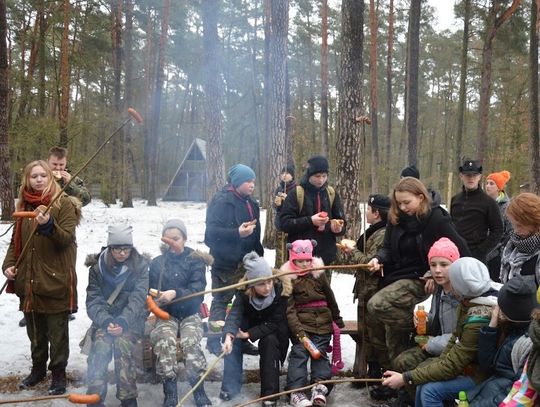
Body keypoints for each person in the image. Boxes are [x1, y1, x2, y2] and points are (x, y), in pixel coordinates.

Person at [366, 177, 470, 401]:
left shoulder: (436, 220)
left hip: (424, 279)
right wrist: (377, 258)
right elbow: (386, 248)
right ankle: (397, 383)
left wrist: (433, 272)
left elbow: (460, 251)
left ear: (420, 198)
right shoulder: (395, 219)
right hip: (397, 275)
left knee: (377, 305)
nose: (403, 208)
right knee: (389, 333)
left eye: (407, 202)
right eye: (399, 203)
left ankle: (418, 328)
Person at [2, 160, 80, 395]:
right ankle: (37, 370)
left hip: (55, 279)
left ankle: (58, 374)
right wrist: (9, 265)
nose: (38, 180)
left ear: (50, 178)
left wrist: (48, 225)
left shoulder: (63, 204)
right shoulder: (23, 206)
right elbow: (16, 242)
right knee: (35, 332)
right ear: (27, 179)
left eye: (43, 176)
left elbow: (66, 239)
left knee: (57, 333)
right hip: (29, 279)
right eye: (33, 176)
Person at [382, 257, 497, 407]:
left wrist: (405, 378)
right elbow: (454, 340)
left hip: (480, 375)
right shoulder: (469, 302)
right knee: (423, 382)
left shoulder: (478, 317)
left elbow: (453, 364)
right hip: (466, 365)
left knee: (429, 390)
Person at [149, 219, 213, 407]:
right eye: (167, 239)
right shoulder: (157, 263)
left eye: (175, 238)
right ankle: (170, 392)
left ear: (184, 238)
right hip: (166, 314)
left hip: (190, 313)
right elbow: (149, 289)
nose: (171, 243)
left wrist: (175, 293)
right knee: (165, 342)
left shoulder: (196, 260)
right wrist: (156, 297)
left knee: (189, 342)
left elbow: (197, 291)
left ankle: (199, 390)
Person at [391, 237, 462, 406]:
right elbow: (436, 319)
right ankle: (415, 400)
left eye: (444, 265)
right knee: (402, 361)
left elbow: (461, 336)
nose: (437, 270)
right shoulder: (439, 290)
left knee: (421, 370)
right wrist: (424, 320)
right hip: (440, 344)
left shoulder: (461, 293)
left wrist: (431, 343)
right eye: (433, 265)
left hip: (456, 352)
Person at [85, 225, 149, 407]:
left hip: (131, 321)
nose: (122, 253)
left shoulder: (140, 267)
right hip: (105, 320)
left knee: (123, 344)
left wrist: (123, 321)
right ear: (109, 248)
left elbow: (138, 299)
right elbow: (93, 301)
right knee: (101, 345)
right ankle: (95, 397)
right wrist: (105, 322)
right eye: (117, 249)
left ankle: (128, 398)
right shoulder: (97, 269)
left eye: (126, 249)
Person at [204, 163, 263, 356]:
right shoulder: (222, 201)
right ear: (237, 182)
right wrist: (237, 232)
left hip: (247, 262)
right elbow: (210, 235)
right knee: (221, 301)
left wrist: (258, 255)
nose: (252, 185)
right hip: (224, 262)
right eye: (247, 181)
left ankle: (240, 340)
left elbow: (256, 233)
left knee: (245, 301)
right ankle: (214, 340)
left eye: (253, 181)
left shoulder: (252, 203)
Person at [220, 252, 290, 406]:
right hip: (250, 323)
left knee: (269, 342)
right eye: (261, 284)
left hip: (273, 329)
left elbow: (275, 322)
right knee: (234, 340)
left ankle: (270, 394)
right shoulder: (243, 293)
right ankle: (231, 386)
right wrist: (229, 335)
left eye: (269, 282)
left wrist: (248, 334)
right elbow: (234, 315)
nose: (267, 287)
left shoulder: (280, 291)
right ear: (251, 285)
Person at [282, 239, 345, 407]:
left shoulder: (319, 274)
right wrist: (300, 333)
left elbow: (330, 296)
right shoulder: (288, 278)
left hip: (323, 323)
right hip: (302, 326)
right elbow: (290, 310)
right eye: (299, 261)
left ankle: (320, 387)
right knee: (300, 353)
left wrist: (337, 318)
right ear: (292, 259)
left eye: (306, 260)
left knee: (320, 353)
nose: (303, 264)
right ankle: (296, 391)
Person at [336, 193, 390, 381]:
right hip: (365, 291)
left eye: (368, 209)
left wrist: (353, 251)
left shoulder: (383, 233)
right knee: (366, 333)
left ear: (376, 213)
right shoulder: (374, 230)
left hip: (374, 291)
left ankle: (378, 374)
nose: (366, 212)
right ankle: (370, 372)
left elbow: (370, 264)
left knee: (375, 335)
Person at [466, 275, 536, 406]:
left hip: (499, 397)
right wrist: (491, 326)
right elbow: (487, 364)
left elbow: (515, 391)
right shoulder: (511, 326)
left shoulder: (528, 342)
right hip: (490, 388)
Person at [279, 155, 346, 281]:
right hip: (299, 260)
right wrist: (310, 221)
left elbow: (341, 221)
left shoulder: (331, 193)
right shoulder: (296, 194)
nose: (321, 180)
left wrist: (337, 228)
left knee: (322, 297)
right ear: (309, 175)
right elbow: (285, 223)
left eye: (324, 176)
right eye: (317, 176)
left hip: (324, 258)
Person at [450, 158, 503, 263]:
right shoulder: (455, 200)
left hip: (476, 258)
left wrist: (480, 251)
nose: (471, 178)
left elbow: (497, 230)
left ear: (479, 177)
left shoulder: (488, 202)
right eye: (468, 175)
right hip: (454, 254)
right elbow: (451, 225)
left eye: (474, 175)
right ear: (461, 176)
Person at [499, 192, 540, 286]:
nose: (516, 231)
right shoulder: (511, 243)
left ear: (534, 222)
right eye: (513, 225)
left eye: (520, 225)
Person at [485, 170, 513, 282]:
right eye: (487, 183)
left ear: (499, 187)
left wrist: (500, 251)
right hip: (483, 251)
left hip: (498, 256)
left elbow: (510, 231)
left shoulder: (507, 207)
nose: (487, 186)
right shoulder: (483, 204)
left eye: (492, 183)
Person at [273, 163, 297, 266]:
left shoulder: (297, 189)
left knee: (290, 254)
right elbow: (277, 208)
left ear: (292, 175)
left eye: (287, 173)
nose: (284, 175)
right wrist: (277, 204)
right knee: (280, 254)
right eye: (282, 173)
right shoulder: (279, 189)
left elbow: (298, 208)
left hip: (292, 228)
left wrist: (288, 200)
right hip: (280, 226)